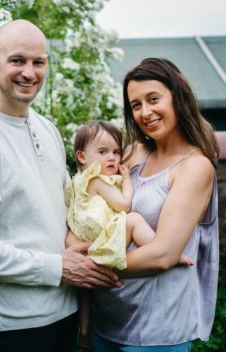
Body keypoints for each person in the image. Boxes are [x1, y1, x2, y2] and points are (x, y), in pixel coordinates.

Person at [0, 19, 120, 352]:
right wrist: (58, 266)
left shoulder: (46, 128)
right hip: (16, 328)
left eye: (38, 62)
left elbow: (71, 208)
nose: (29, 72)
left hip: (64, 314)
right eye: (17, 60)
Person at [89, 57, 220, 351]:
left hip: (156, 329)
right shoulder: (133, 153)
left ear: (178, 97)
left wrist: (90, 266)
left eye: (153, 99)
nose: (145, 112)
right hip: (107, 318)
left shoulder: (195, 168)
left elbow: (163, 255)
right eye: (136, 105)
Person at [65, 120, 194, 347]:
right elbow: (124, 205)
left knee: (85, 288)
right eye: (103, 152)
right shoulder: (96, 179)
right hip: (101, 239)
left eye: (116, 151)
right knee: (133, 220)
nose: (113, 158)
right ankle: (166, 251)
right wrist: (126, 181)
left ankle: (84, 329)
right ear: (82, 157)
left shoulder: (77, 182)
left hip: (86, 242)